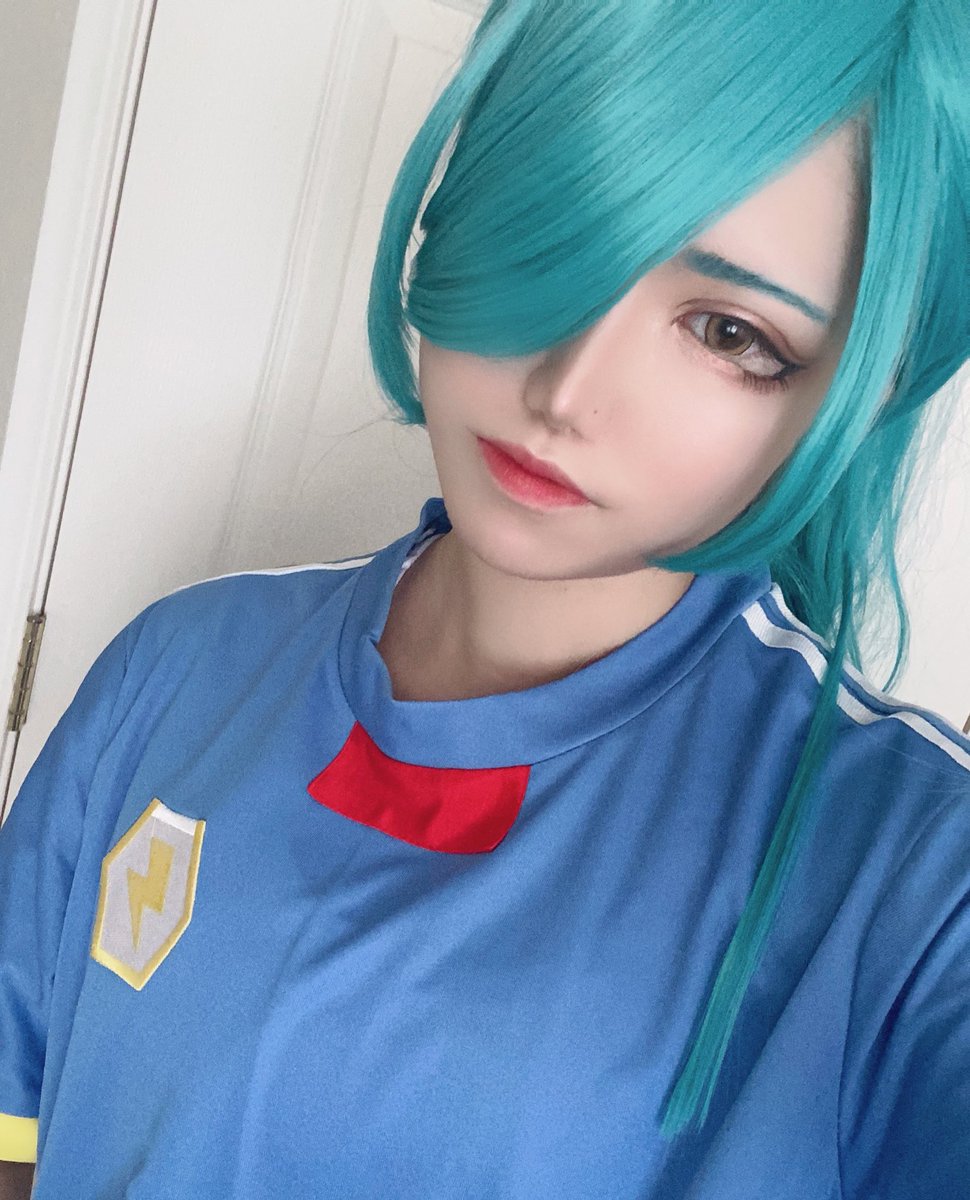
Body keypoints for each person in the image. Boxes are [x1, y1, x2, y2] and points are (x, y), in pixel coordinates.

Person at [1, 1, 968, 1196]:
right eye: (566, 222)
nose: (565, 386)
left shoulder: (915, 878)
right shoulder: (175, 668)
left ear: (862, 390)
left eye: (727, 332)